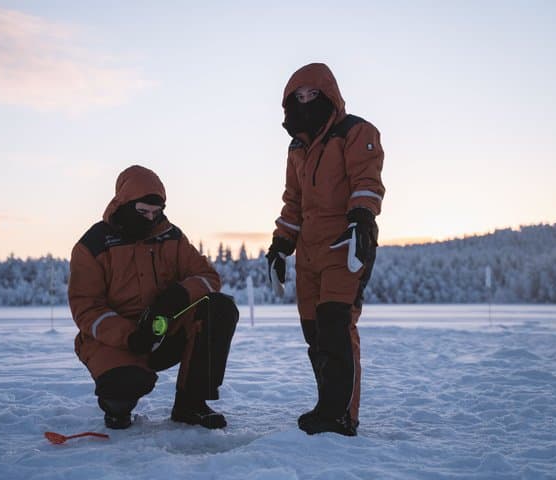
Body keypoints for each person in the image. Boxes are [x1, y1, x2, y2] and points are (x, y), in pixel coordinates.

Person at [68, 165, 238, 430]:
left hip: (165, 330)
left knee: (219, 308)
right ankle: (117, 407)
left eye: (156, 213)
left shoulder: (171, 237)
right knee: (123, 389)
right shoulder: (93, 245)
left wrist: (179, 296)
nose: (150, 219)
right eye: (142, 212)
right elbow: (86, 308)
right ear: (123, 204)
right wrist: (130, 336)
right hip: (114, 342)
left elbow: (208, 277)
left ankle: (191, 405)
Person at [266, 63, 385, 436]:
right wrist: (280, 244)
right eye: (298, 98)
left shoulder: (356, 132)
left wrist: (362, 222)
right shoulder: (297, 146)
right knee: (314, 332)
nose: (305, 103)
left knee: (337, 326)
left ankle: (341, 415)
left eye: (312, 96)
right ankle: (326, 406)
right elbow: (294, 202)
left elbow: (367, 181)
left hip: (346, 243)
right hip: (309, 251)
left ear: (328, 94)